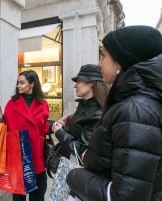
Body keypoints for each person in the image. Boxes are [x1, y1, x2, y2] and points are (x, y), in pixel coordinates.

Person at [66, 25, 162, 201]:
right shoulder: (135, 104)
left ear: (120, 61)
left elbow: (125, 196)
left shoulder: (135, 110)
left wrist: (75, 175)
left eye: (103, 55)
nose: (99, 63)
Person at [0, 70, 49, 201]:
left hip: (37, 156)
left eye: (22, 83)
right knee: (18, 196)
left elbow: (43, 129)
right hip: (18, 156)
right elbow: (5, 127)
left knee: (38, 195)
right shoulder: (12, 104)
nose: (18, 86)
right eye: (18, 83)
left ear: (32, 84)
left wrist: (56, 127)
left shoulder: (43, 104)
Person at [52, 64, 109, 162]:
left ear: (90, 83)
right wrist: (67, 124)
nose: (75, 85)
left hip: (80, 169)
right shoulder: (86, 106)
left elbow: (82, 150)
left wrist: (59, 132)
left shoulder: (97, 114)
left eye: (78, 81)